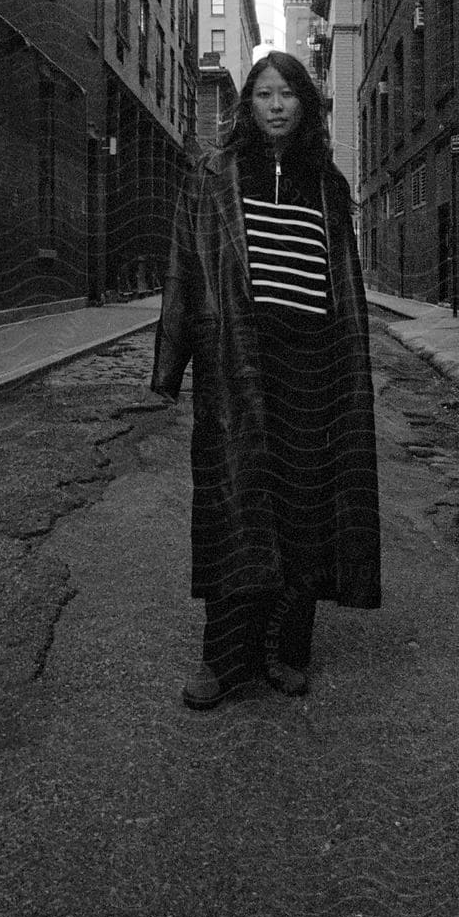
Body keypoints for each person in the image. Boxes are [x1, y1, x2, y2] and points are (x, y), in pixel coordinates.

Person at [151, 51, 381, 709]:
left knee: (303, 511)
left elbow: (344, 283)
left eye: (288, 95)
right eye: (264, 95)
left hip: (313, 364)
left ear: (305, 105)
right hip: (238, 363)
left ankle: (285, 650)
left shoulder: (328, 184)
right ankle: (224, 662)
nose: (276, 105)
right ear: (247, 105)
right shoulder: (212, 175)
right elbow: (182, 271)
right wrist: (169, 371)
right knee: (235, 507)